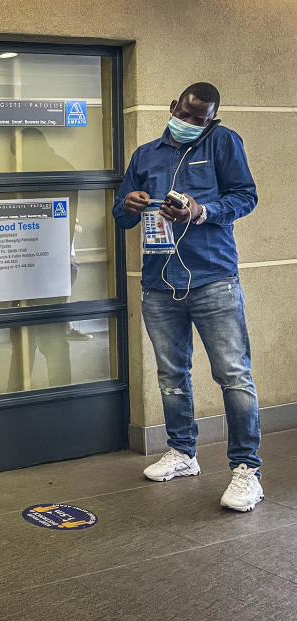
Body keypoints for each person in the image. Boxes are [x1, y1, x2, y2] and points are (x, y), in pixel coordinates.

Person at [112, 82, 262, 511]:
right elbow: (121, 212)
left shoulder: (223, 142)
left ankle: (246, 470)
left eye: (202, 119)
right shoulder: (145, 154)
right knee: (171, 375)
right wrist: (131, 204)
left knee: (233, 376)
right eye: (188, 113)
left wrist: (201, 211)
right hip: (160, 282)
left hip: (214, 278)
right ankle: (183, 452)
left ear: (211, 119)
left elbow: (245, 196)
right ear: (173, 106)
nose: (192, 122)